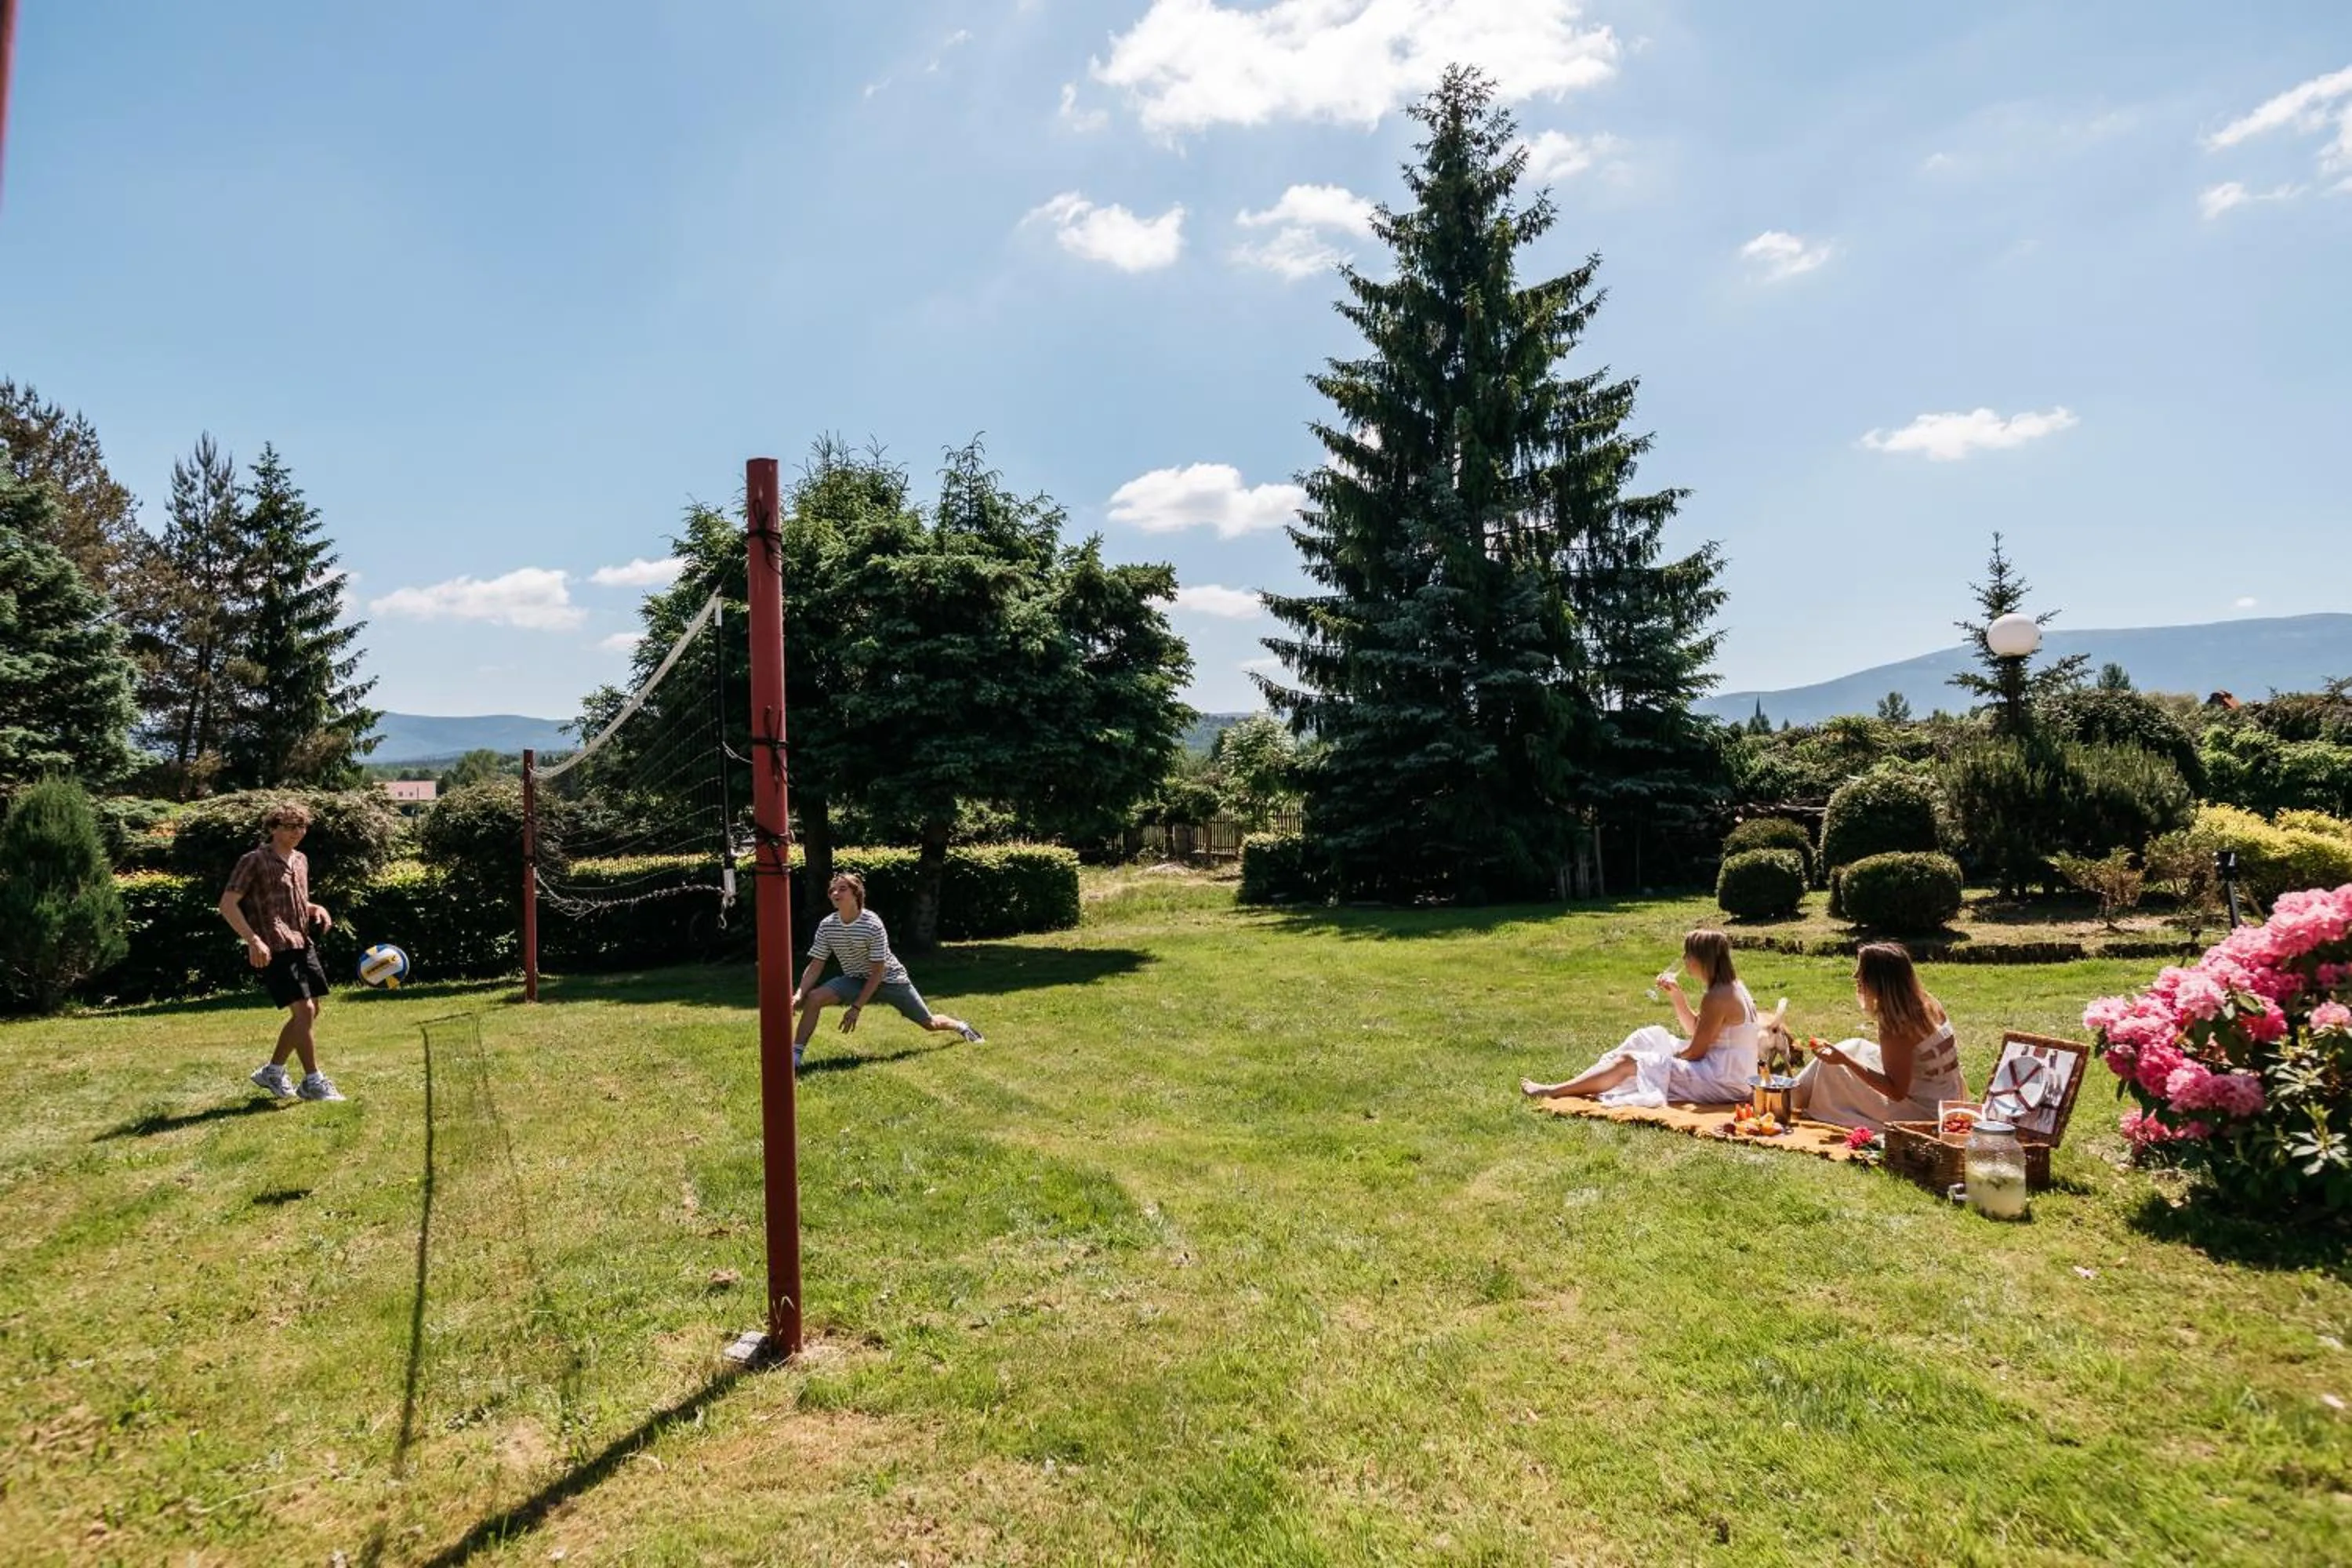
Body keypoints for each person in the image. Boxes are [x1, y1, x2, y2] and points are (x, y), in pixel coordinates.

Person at [1521, 929, 1761, 1106]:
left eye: (1688, 954)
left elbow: (1696, 1051)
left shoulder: (1718, 996)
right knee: (1648, 1036)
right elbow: (1696, 1031)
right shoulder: (1730, 987)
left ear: (1702, 959)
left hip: (1722, 1082)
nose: (1684, 959)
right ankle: (1593, 1078)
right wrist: (1677, 996)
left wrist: (1664, 1058)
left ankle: (1555, 1090)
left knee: (1630, 1061)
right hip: (1728, 1073)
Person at [791, 872, 983, 1068]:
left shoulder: (872, 924)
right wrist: (799, 994)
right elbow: (816, 965)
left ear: (856, 894)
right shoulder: (827, 926)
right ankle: (796, 1057)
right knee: (814, 998)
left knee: (929, 1023)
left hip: (890, 980)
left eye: (842, 889)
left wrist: (856, 1008)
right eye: (832, 889)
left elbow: (878, 973)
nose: (835, 893)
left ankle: (961, 1027)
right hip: (855, 979)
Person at [219, 801, 344, 1102]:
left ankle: (273, 1072)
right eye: (289, 826)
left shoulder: (301, 860)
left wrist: (316, 908)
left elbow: (297, 900)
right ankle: (313, 1082)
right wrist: (253, 940)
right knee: (304, 1011)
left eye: (301, 826)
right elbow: (227, 904)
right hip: (274, 945)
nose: (297, 832)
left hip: (302, 942)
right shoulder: (254, 860)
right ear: (273, 828)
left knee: (313, 1009)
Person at [1791, 942, 1965, 1131]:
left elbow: (1896, 1091)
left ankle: (1789, 1098)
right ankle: (1791, 1094)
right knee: (1854, 1045)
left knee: (1834, 1071)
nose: (1855, 976)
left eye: (1861, 972)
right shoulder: (1927, 1001)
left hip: (1925, 1114)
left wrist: (1845, 1061)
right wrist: (1845, 1056)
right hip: (1949, 1098)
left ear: (1879, 980)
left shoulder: (1896, 1025)